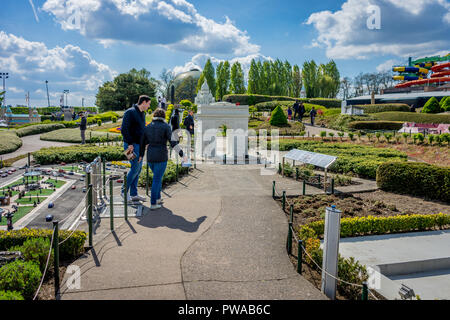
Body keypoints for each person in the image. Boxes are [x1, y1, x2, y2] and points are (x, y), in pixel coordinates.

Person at [139, 108, 184, 210]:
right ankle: (153, 203)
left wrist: (141, 155)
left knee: (157, 178)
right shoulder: (165, 127)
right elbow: (172, 142)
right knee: (157, 179)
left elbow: (142, 143)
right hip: (161, 155)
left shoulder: (148, 127)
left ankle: (158, 198)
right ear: (163, 116)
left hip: (150, 156)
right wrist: (181, 154)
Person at [121, 95, 151, 202]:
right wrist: (129, 143)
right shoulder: (130, 112)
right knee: (134, 168)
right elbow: (124, 129)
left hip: (140, 146)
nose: (149, 106)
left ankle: (134, 194)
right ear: (143, 102)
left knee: (138, 170)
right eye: (148, 103)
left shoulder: (142, 114)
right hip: (131, 146)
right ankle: (124, 192)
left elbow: (142, 130)